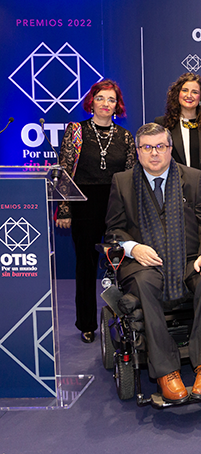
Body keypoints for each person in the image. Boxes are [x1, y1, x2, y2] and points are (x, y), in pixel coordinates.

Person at [105, 123, 201, 404]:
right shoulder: (122, 182)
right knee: (145, 283)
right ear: (137, 151)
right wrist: (133, 248)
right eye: (147, 147)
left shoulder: (193, 178)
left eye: (160, 146)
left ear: (170, 149)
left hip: (189, 259)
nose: (154, 153)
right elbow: (113, 231)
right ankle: (166, 371)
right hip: (144, 264)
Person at [56, 79, 136, 344]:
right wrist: (64, 209)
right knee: (86, 266)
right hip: (83, 205)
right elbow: (65, 171)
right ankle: (87, 324)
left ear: (117, 105)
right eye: (100, 98)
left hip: (116, 206)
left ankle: (127, 321)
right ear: (92, 102)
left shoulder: (125, 136)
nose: (105, 103)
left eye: (111, 99)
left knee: (121, 266)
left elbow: (130, 177)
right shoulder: (76, 131)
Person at [155, 72, 201, 176]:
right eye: (185, 90)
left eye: (194, 92)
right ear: (177, 94)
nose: (189, 95)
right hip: (174, 184)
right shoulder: (162, 124)